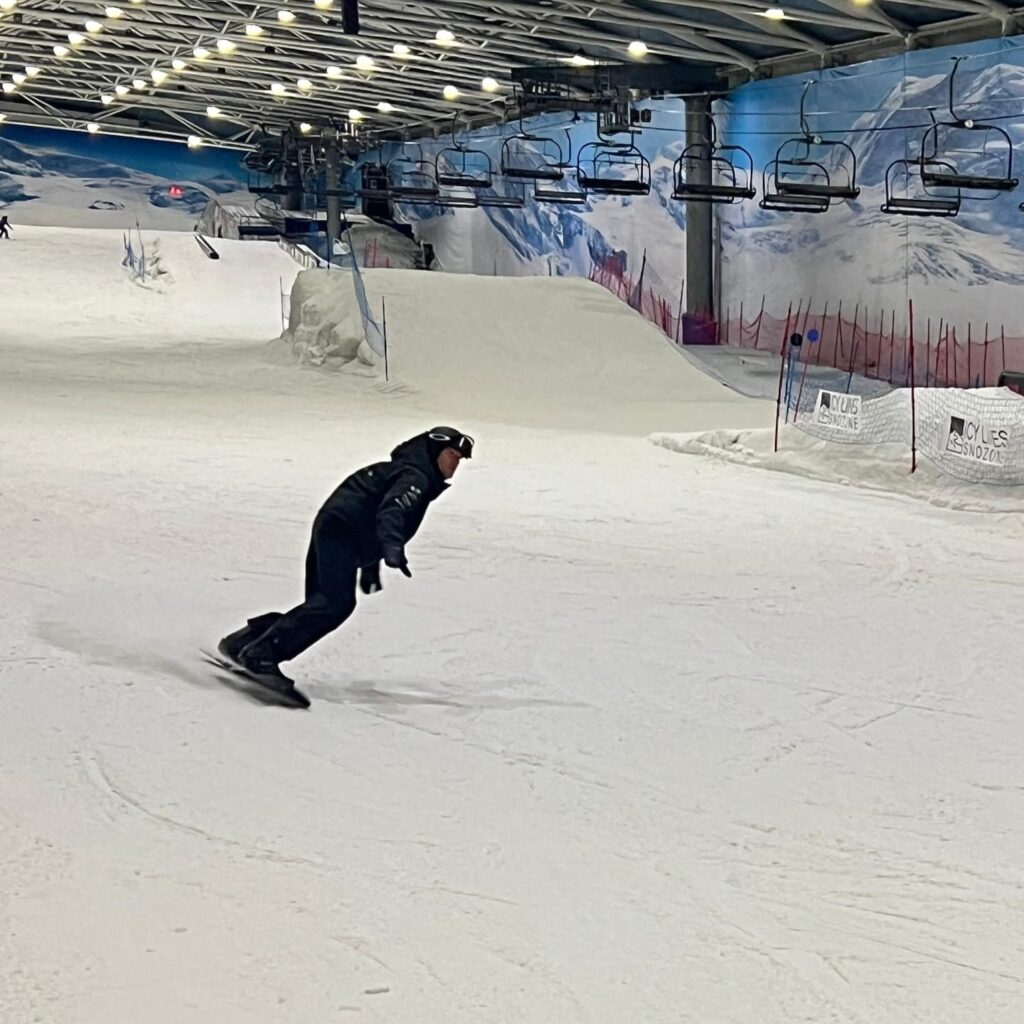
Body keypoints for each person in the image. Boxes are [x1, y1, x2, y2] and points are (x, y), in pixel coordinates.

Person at [217, 426, 475, 691]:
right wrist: (392, 547)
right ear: (434, 450)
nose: (455, 464)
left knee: (321, 606)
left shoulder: (402, 472)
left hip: (335, 528)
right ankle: (260, 656)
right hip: (341, 533)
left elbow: (370, 512)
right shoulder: (415, 478)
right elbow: (391, 512)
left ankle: (246, 641)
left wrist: (371, 568)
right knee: (334, 605)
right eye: (452, 455)